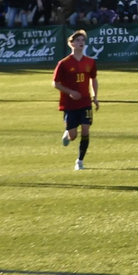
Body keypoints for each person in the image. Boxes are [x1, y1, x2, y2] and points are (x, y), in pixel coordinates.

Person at [52, 29, 99, 171]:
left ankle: (80, 161)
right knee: (73, 135)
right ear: (71, 44)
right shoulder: (64, 63)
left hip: (85, 102)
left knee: (86, 129)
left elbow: (94, 79)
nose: (81, 43)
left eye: (83, 40)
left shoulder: (90, 62)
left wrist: (95, 97)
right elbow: (55, 83)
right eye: (78, 40)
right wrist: (70, 92)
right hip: (70, 104)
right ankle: (68, 133)